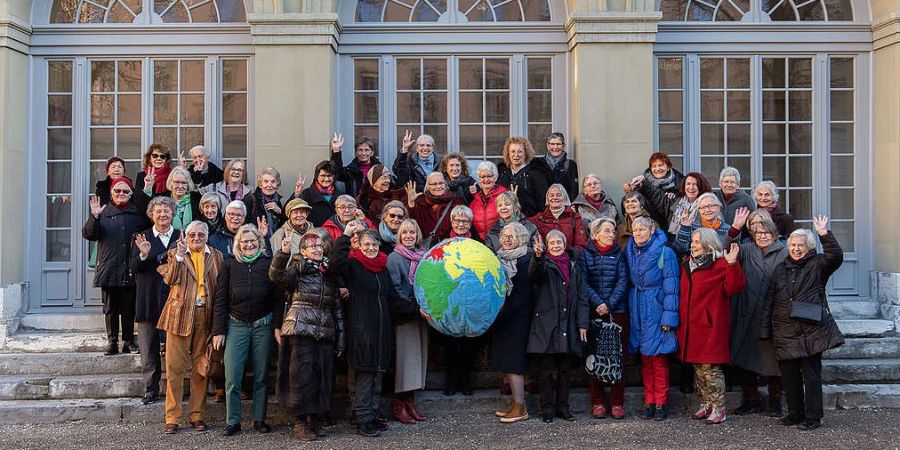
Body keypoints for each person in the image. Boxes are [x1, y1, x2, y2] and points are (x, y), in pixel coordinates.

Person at [330, 222, 418, 437]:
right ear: (359, 246)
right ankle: (362, 419)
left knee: (375, 374)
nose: (370, 248)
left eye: (374, 244)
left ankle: (369, 415)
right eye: (366, 244)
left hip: (381, 330)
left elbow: (394, 300)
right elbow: (334, 264)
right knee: (364, 374)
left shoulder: (382, 269)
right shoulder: (353, 265)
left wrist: (419, 310)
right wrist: (344, 236)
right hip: (361, 329)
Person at [761, 216, 844, 431]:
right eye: (793, 245)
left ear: (809, 247)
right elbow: (769, 299)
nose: (796, 249)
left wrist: (824, 234)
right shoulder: (780, 268)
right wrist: (764, 328)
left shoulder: (818, 264)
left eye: (800, 245)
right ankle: (795, 413)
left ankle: (813, 417)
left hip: (810, 329)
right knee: (789, 377)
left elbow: (835, 256)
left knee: (811, 376)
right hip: (784, 329)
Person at [269, 231, 344, 441]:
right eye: (312, 247)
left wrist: (341, 338)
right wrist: (283, 253)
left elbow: (336, 307)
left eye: (320, 246)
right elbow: (276, 277)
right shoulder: (298, 268)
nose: (318, 249)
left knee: (321, 377)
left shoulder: (329, 273)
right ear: (303, 251)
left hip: (324, 330)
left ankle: (316, 419)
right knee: (301, 378)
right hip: (301, 329)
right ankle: (300, 422)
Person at [158, 220, 224, 434]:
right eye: (192, 235)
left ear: (206, 236)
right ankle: (172, 417)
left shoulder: (216, 255)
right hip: (180, 315)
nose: (196, 239)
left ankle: (197, 415)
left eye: (200, 235)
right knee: (174, 368)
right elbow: (170, 279)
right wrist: (178, 255)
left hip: (206, 315)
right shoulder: (176, 253)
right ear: (185, 236)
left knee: (201, 368)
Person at [213, 224, 277, 437]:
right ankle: (233, 421)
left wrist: (276, 326)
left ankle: (259, 420)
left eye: (253, 241)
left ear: (260, 242)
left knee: (261, 376)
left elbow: (278, 299)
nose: (249, 244)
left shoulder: (268, 263)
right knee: (232, 375)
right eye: (244, 241)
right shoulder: (229, 264)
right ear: (238, 244)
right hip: (236, 324)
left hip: (263, 325)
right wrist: (218, 330)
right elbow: (220, 298)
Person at [678, 228, 746, 425]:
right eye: (693, 241)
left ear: (708, 243)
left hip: (709, 326)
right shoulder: (687, 263)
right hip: (691, 326)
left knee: (711, 370)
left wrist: (732, 264)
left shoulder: (720, 264)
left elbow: (734, 287)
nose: (693, 245)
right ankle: (707, 403)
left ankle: (719, 408)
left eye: (698, 242)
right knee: (698, 369)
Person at [83, 177, 149, 355]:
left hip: (129, 266)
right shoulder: (102, 212)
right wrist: (94, 217)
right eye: (118, 191)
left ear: (131, 194)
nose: (121, 194)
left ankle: (128, 341)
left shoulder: (137, 214)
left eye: (125, 191)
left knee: (129, 307)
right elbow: (89, 234)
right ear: (111, 193)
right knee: (110, 308)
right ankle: (112, 342)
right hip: (109, 267)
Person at [731, 211, 787, 417]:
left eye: (766, 232)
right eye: (758, 233)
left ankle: (775, 402)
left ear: (774, 234)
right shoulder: (746, 249)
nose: (762, 236)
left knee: (774, 361)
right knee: (746, 359)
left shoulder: (784, 252)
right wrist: (735, 228)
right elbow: (727, 249)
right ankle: (750, 400)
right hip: (748, 311)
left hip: (774, 314)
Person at [625, 217, 680, 421]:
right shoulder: (630, 251)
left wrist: (669, 317)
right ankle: (648, 400)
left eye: (642, 230)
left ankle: (661, 402)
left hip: (656, 308)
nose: (638, 233)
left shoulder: (666, 252)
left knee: (658, 358)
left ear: (651, 230)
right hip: (638, 307)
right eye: (635, 230)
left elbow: (672, 287)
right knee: (645, 358)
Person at [528, 229, 584, 423]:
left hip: (568, 322)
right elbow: (534, 274)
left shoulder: (574, 264)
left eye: (559, 242)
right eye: (551, 243)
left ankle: (563, 408)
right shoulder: (544, 262)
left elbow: (582, 295)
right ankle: (547, 410)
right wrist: (537, 256)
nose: (556, 245)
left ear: (564, 242)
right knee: (547, 371)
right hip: (547, 324)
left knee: (565, 370)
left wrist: (582, 324)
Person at [577, 218, 630, 420]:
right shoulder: (586, 255)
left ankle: (617, 402)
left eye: (613, 231)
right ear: (595, 234)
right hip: (593, 311)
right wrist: (598, 303)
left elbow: (623, 280)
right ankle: (598, 402)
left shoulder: (620, 254)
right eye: (607, 231)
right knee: (594, 357)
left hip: (617, 311)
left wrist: (609, 304)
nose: (611, 234)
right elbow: (584, 282)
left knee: (618, 357)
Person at [131, 196, 180, 405]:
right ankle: (151, 389)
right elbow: (133, 267)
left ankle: (173, 388)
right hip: (148, 299)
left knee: (173, 349)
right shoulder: (142, 237)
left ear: (172, 214)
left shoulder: (181, 236)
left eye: (166, 211)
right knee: (148, 348)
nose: (162, 215)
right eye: (158, 211)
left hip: (173, 300)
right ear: (151, 214)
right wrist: (144, 255)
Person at [386, 219, 430, 425]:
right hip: (406, 316)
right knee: (405, 361)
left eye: (412, 232)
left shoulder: (423, 256)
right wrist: (414, 307)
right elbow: (396, 289)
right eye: (405, 233)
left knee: (417, 360)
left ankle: (410, 402)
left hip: (421, 315)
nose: (409, 236)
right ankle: (399, 404)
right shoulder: (395, 258)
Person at [491, 222, 534, 423]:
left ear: (522, 239)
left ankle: (521, 407)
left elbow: (522, 295)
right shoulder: (499, 257)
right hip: (505, 317)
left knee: (514, 363)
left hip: (517, 318)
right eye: (504, 235)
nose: (507, 239)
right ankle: (516, 403)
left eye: (512, 235)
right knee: (507, 363)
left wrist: (501, 313)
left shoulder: (526, 259)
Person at [629, 170, 711, 244]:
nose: (691, 187)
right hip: (674, 246)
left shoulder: (708, 206)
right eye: (688, 184)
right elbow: (657, 196)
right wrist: (644, 180)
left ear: (701, 187)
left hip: (697, 247)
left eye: (695, 184)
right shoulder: (676, 201)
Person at [625, 152, 685, 227]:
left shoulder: (681, 183)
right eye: (654, 166)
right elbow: (627, 208)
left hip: (672, 227)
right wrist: (631, 192)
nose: (657, 169)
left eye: (661, 165)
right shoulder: (642, 183)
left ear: (668, 167)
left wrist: (675, 196)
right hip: (650, 227)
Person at [673, 192, 743, 255]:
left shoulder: (728, 229)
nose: (707, 210)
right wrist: (685, 227)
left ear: (719, 207)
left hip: (721, 266)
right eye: (703, 207)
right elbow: (680, 250)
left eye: (711, 206)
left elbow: (735, 252)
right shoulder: (692, 228)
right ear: (699, 211)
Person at [406, 172, 464, 244]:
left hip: (450, 246)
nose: (438, 186)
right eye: (434, 184)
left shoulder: (456, 202)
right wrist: (411, 204)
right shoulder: (421, 202)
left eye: (441, 183)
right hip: (427, 247)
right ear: (428, 186)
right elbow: (414, 225)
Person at [496, 136, 548, 217]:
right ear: (508, 154)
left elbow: (542, 204)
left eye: (520, 151)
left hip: (529, 222)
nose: (516, 155)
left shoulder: (536, 175)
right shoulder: (502, 175)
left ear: (526, 153)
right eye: (513, 151)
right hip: (505, 222)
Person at [529, 183, 588, 251]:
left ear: (564, 197)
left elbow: (581, 245)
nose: (555, 198)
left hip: (568, 259)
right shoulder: (539, 218)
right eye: (551, 195)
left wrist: (567, 256)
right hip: (546, 260)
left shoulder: (575, 217)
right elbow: (522, 224)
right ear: (547, 198)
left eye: (558, 195)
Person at [143, 166, 202, 232]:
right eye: (177, 182)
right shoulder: (162, 198)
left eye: (184, 183)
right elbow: (145, 211)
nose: (180, 186)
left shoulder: (197, 199)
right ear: (171, 183)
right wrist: (148, 188)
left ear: (188, 184)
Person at [243, 167, 286, 241]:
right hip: (256, 243)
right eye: (266, 181)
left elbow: (283, 225)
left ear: (277, 184)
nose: (269, 185)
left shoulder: (277, 201)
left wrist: (280, 212)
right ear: (260, 184)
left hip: (275, 244)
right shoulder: (250, 200)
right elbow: (244, 226)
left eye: (273, 182)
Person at [299, 160, 344, 227]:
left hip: (336, 236)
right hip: (313, 235)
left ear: (334, 176)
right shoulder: (306, 194)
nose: (326, 179)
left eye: (329, 176)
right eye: (323, 175)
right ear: (317, 176)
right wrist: (296, 195)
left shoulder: (342, 196)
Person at [470, 161, 507, 240]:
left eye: (489, 176)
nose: (486, 179)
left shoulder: (504, 196)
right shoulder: (474, 202)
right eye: (483, 177)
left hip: (500, 243)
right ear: (479, 179)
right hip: (480, 244)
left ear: (495, 177)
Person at [533, 132, 578, 199]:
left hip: (563, 206)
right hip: (543, 206)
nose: (555, 147)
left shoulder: (570, 165)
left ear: (563, 146)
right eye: (552, 144)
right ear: (548, 146)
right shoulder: (538, 164)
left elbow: (573, 190)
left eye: (558, 144)